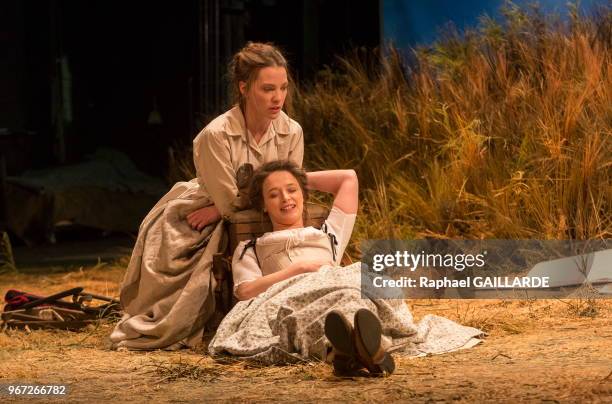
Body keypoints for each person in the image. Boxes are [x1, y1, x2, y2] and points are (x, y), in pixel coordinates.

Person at [110, 42, 304, 350]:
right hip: (207, 202)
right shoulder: (217, 135)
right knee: (193, 257)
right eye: (267, 89)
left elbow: (291, 185)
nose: (277, 97)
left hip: (257, 210)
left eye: (282, 88)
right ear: (244, 87)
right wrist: (220, 209)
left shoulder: (291, 131)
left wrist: (227, 208)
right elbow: (228, 199)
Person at [208, 161, 482, 375]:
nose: (285, 198)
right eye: (273, 194)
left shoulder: (329, 234)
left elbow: (348, 178)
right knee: (317, 309)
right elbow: (245, 291)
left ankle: (345, 351)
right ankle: (361, 349)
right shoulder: (251, 247)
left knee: (353, 293)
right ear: (264, 206)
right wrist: (298, 269)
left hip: (337, 284)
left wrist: (293, 175)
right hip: (293, 294)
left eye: (292, 190)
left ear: (303, 194)